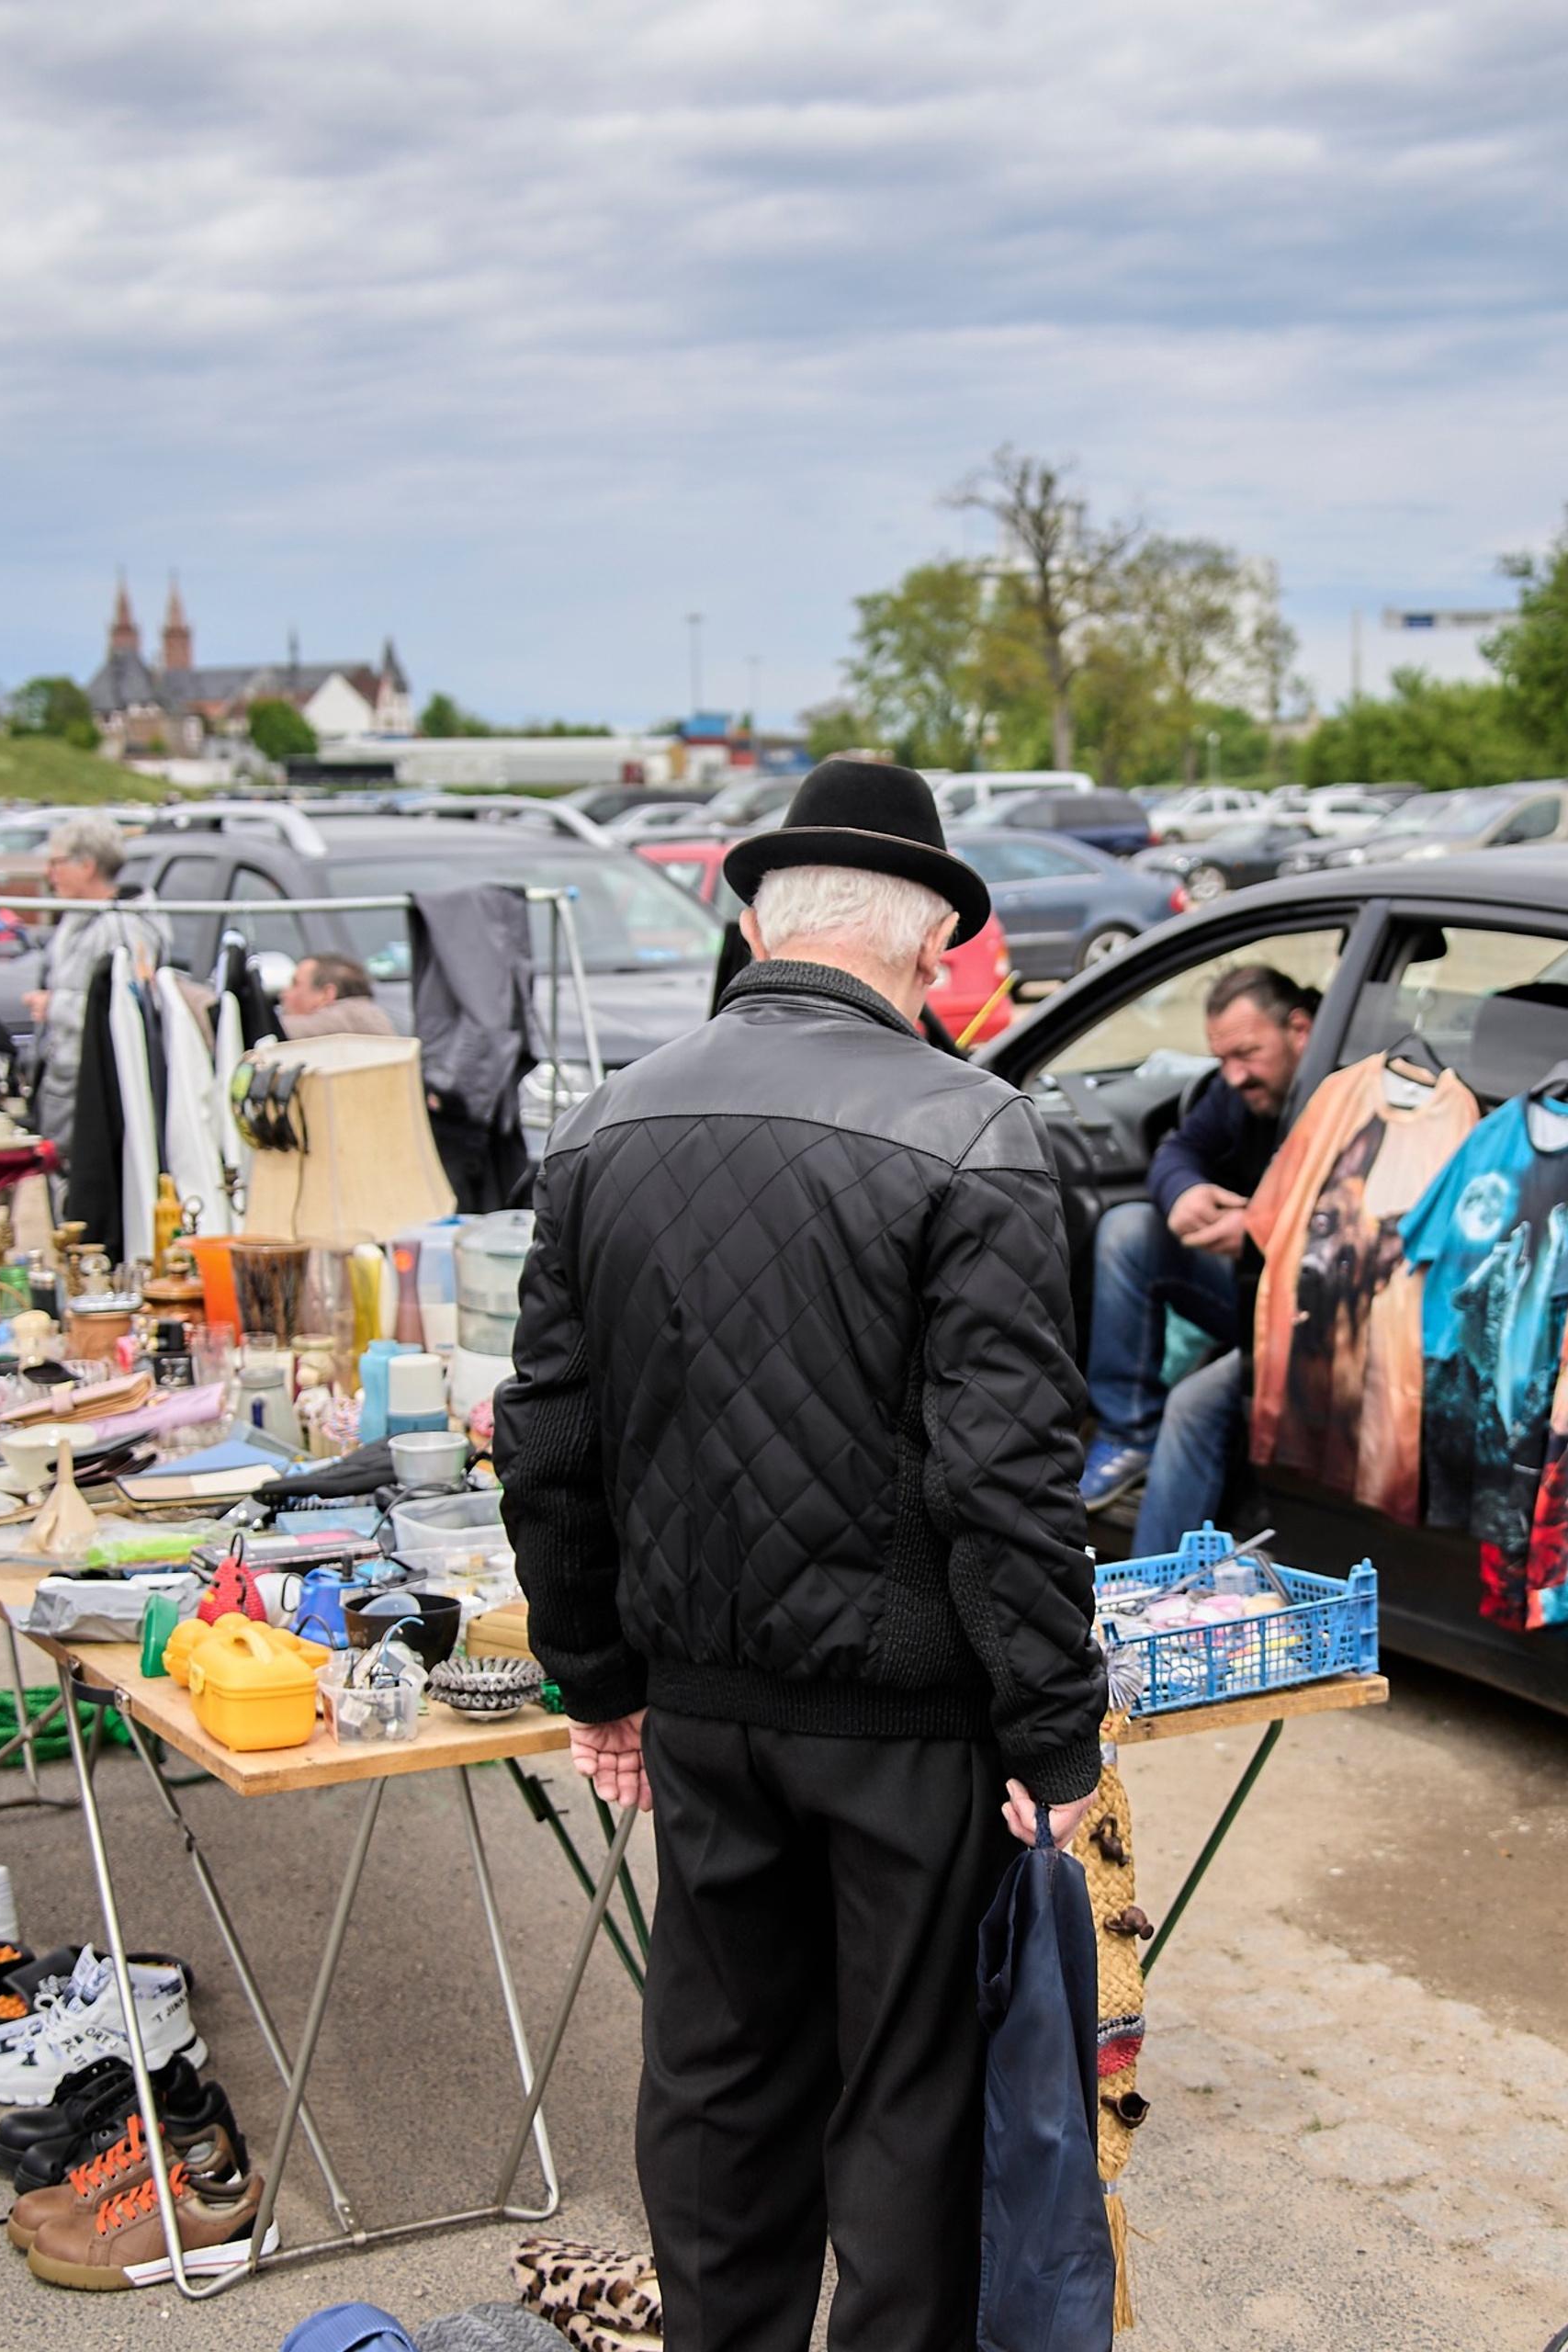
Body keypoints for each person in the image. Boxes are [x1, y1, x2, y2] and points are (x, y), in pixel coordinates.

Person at [497, 757, 1105, 2352]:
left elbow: (550, 1440)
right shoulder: (976, 1132)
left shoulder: (604, 1127)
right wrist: (1056, 1729)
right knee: (905, 2115)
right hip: (905, 1726)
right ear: (929, 952)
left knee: (720, 2080)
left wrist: (596, 1675)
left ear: (761, 926)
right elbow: (1011, 1482)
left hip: (706, 1710)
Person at [1079, 965, 1317, 1555]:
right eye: (1222, 1057)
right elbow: (1180, 1149)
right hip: (1251, 1295)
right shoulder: (1240, 1094)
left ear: (1301, 1030)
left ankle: (1150, 1604)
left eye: (1248, 1053)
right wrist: (1184, 1192)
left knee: (1192, 1403)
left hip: (1312, 1321)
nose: (1233, 1075)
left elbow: (1359, 1231)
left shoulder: (1343, 1097)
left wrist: (1265, 1233)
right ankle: (1130, 1431)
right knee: (1130, 1228)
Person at [22, 814, 169, 1164]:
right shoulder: (79, 917)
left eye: (56, 862)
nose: (49, 873)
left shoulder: (122, 927)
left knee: (84, 1190)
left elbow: (130, 1006)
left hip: (97, 1089)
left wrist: (55, 1006)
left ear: (87, 865)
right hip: (66, 1085)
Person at [278, 951, 395, 1038]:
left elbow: (275, 1031)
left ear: (327, 994)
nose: (284, 994)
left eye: (296, 984)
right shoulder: (365, 1013)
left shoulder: (347, 1017)